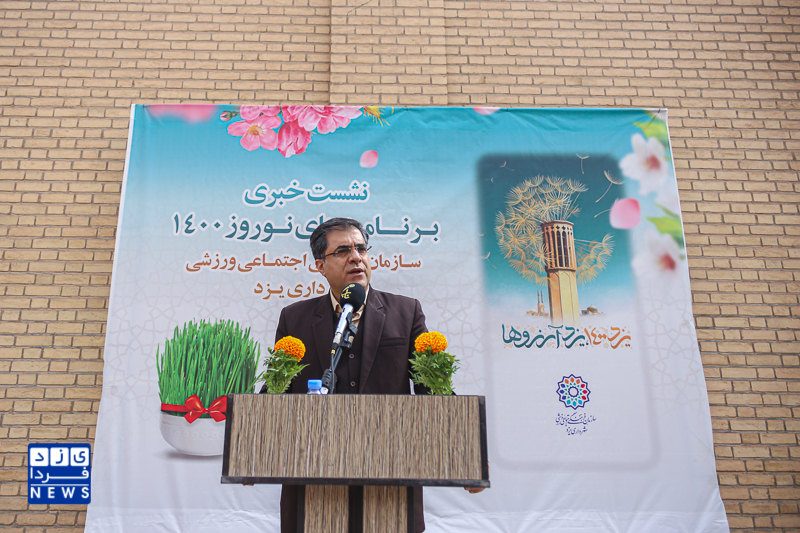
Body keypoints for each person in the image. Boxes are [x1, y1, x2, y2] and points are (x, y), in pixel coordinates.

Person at [266, 217, 481, 533]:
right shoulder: (295, 318)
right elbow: (276, 390)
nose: (356, 257)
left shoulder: (405, 312)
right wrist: (250, 453)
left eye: (361, 249)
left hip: (390, 472)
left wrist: (466, 457)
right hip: (315, 474)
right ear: (320, 266)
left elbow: (431, 388)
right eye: (342, 251)